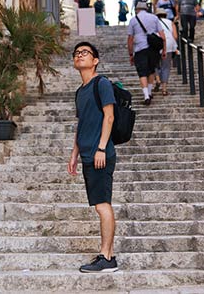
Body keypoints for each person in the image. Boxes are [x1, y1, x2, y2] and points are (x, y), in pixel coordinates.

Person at [68, 42, 119, 274]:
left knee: (102, 205)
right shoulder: (80, 91)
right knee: (100, 205)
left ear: (95, 60)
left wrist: (100, 148)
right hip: (88, 155)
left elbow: (109, 117)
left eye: (85, 53)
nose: (80, 56)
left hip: (101, 155)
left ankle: (107, 257)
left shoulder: (102, 83)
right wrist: (74, 154)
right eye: (77, 53)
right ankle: (106, 256)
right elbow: (82, 124)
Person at [127, 1, 166, 105]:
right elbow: (162, 36)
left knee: (142, 72)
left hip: (140, 49)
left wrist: (131, 54)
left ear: (137, 10)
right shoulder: (154, 18)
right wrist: (164, 50)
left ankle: (146, 96)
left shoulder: (133, 20)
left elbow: (130, 38)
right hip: (153, 48)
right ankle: (149, 92)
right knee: (151, 71)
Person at [154, 8, 178, 96]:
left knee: (155, 64)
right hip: (169, 46)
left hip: (157, 45)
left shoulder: (154, 23)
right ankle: (164, 89)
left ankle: (157, 79)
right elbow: (175, 36)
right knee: (166, 67)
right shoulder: (170, 23)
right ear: (165, 15)